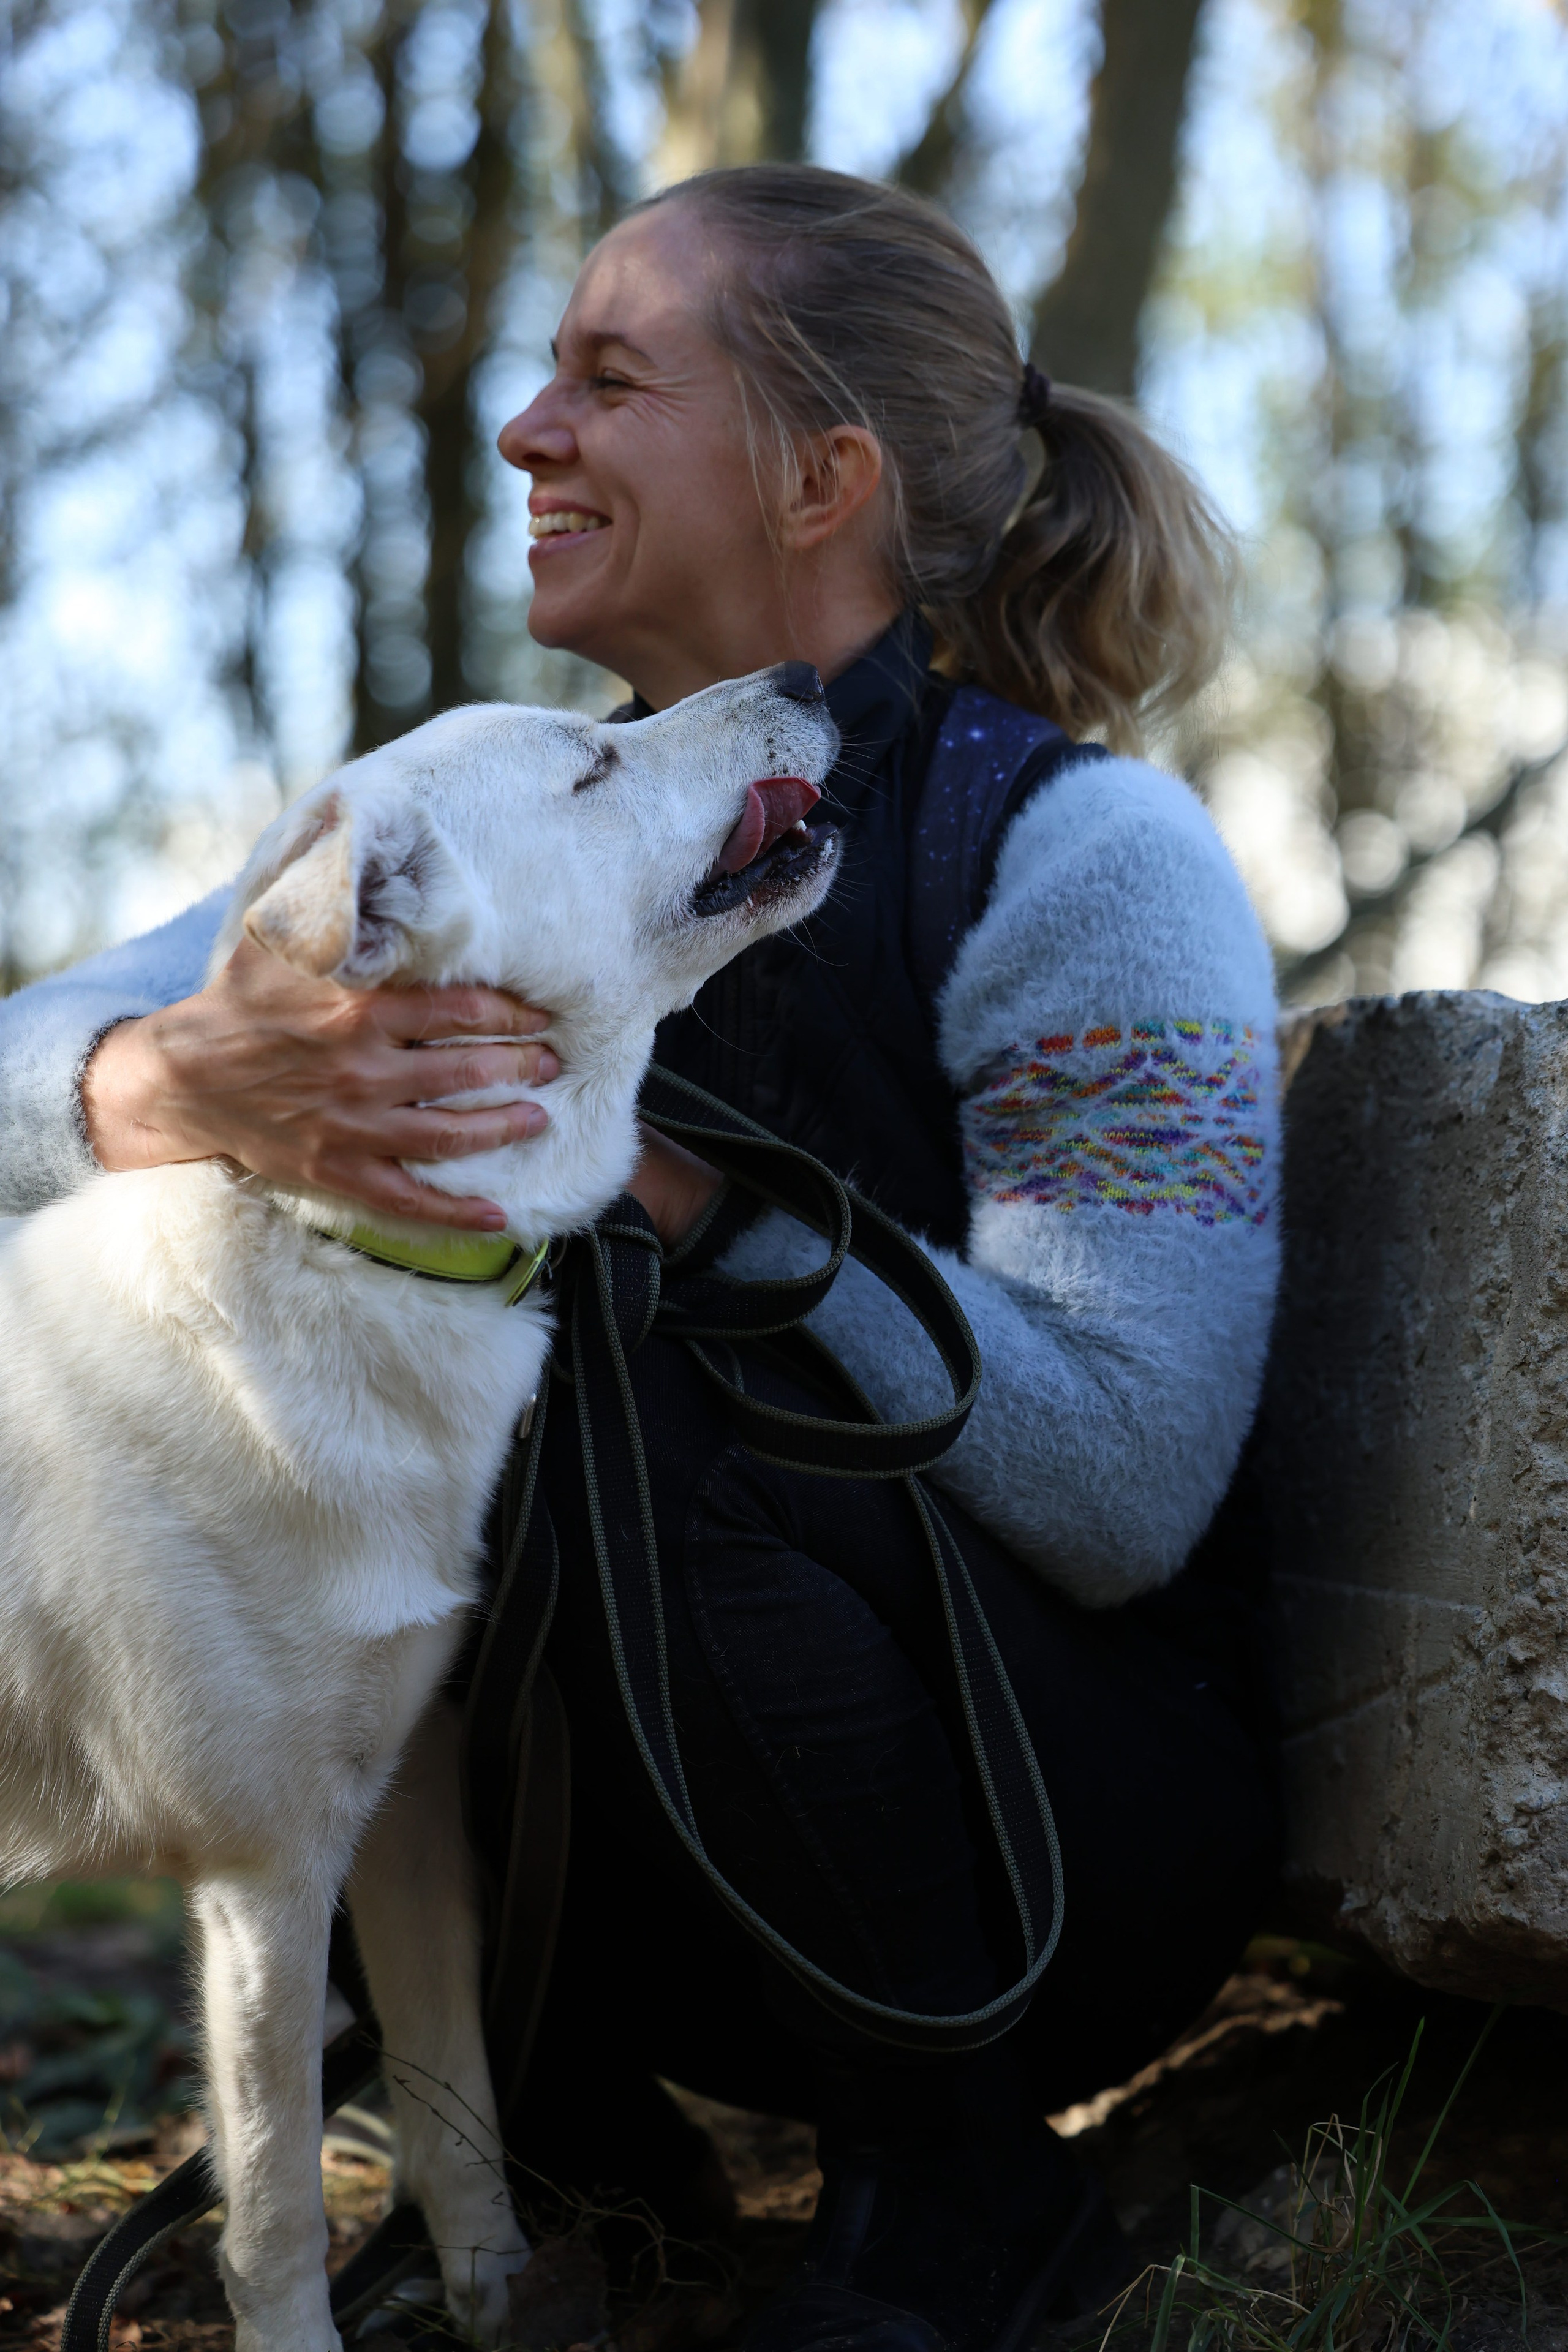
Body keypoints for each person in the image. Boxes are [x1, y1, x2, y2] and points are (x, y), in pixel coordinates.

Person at [0, 167, 1282, 2352]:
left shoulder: (1086, 860)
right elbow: (41, 1046)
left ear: (822, 477)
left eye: (610, 377)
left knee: (655, 1389)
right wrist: (152, 1085)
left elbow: (1128, 1469)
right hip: (657, 1899)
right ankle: (548, 2154)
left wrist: (680, 1195)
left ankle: (957, 2194)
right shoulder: (485, 826)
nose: (526, 430)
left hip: (1048, 1868)